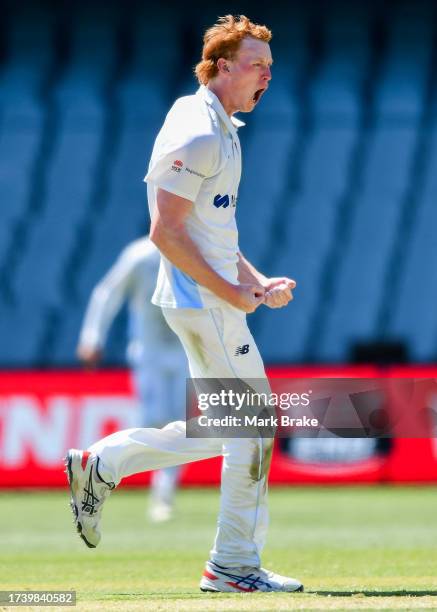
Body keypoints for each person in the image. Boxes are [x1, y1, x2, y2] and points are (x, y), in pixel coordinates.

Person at [66, 15, 303, 593]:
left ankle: (104, 463)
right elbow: (166, 232)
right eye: (256, 65)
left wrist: (255, 278)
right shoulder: (198, 130)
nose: (267, 76)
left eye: (271, 67)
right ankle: (232, 566)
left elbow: (213, 230)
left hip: (204, 298)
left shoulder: (216, 123)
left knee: (228, 427)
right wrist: (232, 294)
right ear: (222, 67)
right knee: (252, 427)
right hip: (203, 303)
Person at [77, 237, 188, 522]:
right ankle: (101, 472)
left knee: (179, 422)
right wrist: (92, 337)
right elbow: (108, 293)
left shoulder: (195, 248)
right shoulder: (140, 256)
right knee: (154, 418)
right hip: (148, 351)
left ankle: (163, 493)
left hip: (185, 350)